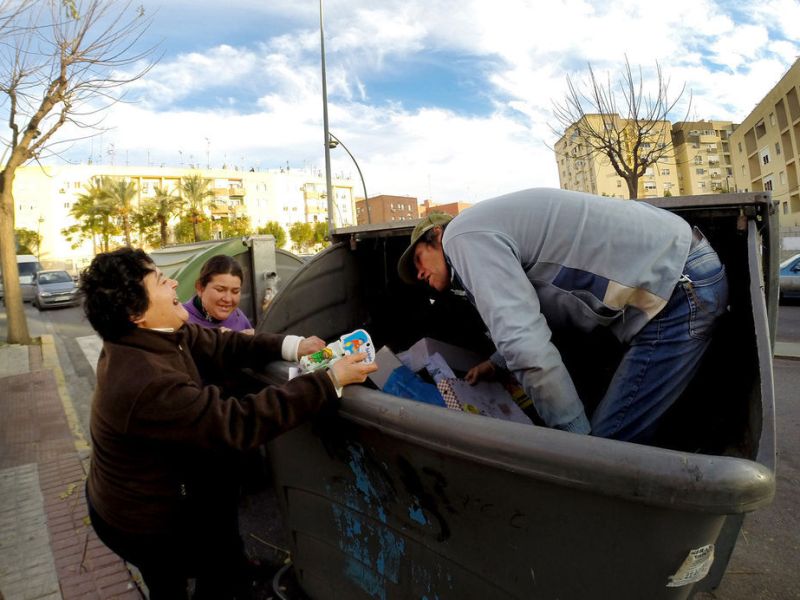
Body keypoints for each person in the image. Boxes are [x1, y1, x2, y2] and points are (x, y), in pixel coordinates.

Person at [81, 247, 376, 599]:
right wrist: (328, 381)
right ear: (135, 312)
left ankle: (232, 573)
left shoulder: (154, 335)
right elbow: (238, 423)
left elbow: (223, 344)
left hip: (158, 492)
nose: (174, 282)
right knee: (170, 582)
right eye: (161, 281)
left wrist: (291, 346)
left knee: (217, 533)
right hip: (140, 520)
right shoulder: (144, 380)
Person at [398, 188, 728, 444]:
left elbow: (525, 345)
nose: (420, 274)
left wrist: (572, 444)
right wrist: (497, 363)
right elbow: (535, 312)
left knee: (603, 456)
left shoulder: (460, 236)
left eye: (418, 261)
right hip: (673, 273)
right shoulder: (484, 231)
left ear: (437, 235)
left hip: (676, 289)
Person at [183, 254, 254, 334]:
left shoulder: (238, 316)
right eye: (220, 290)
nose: (228, 299)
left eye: (235, 291)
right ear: (200, 288)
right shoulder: (181, 321)